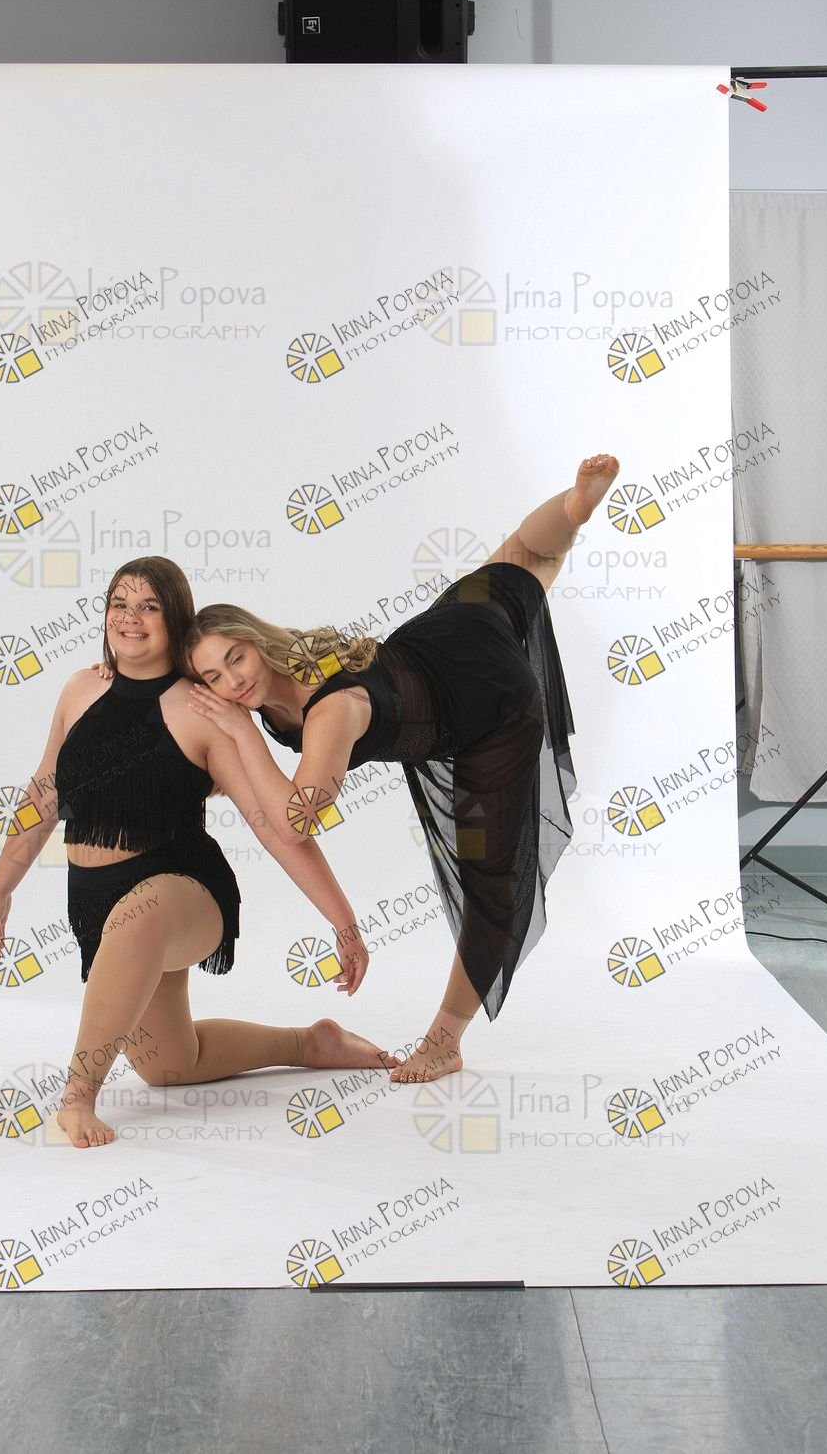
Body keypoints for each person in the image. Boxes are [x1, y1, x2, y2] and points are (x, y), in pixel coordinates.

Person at [184, 455, 620, 1083]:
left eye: (236, 658)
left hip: (490, 703)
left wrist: (240, 732)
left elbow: (297, 820)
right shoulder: (273, 698)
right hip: (449, 633)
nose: (232, 682)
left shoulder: (330, 711)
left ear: (257, 640)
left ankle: (444, 1042)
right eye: (213, 677)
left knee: (489, 880)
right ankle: (577, 506)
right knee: (521, 561)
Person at [0, 557, 394, 1149]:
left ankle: (76, 1100)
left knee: (141, 915)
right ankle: (308, 1043)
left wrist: (344, 923)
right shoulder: (80, 689)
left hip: (183, 892)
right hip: (93, 902)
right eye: (120, 603)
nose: (130, 617)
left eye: (149, 606)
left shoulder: (202, 710)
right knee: (171, 1064)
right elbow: (43, 795)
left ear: (174, 619)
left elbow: (277, 829)